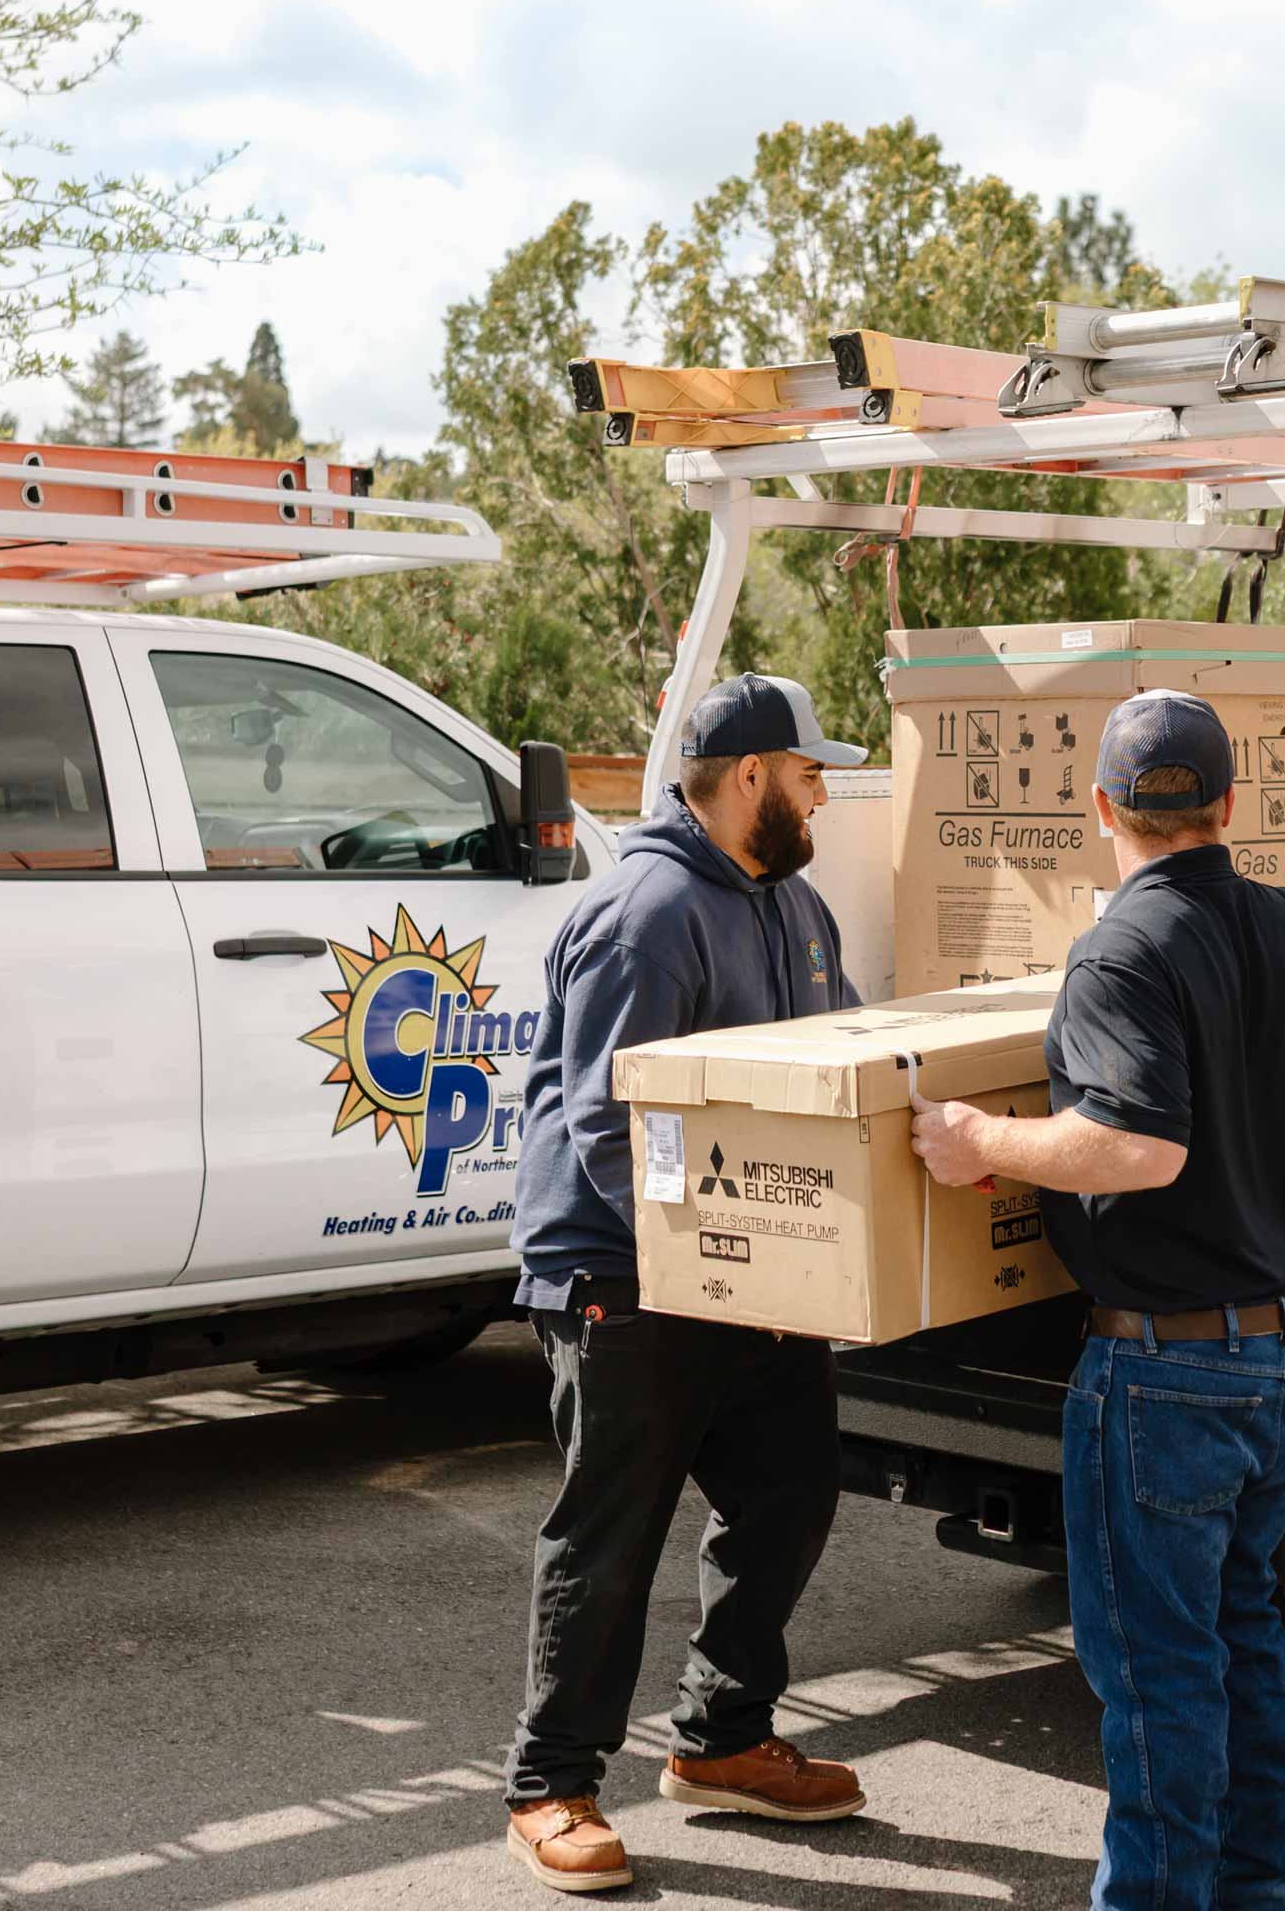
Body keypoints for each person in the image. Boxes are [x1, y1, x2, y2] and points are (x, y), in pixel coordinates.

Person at [911, 689, 1285, 1910]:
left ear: (1101, 807)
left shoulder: (1121, 951)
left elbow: (1140, 1149)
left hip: (1167, 1374)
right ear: (1230, 807)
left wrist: (982, 1135)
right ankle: (1257, 1891)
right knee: (1243, 1636)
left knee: (1158, 1673)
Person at [501, 672, 876, 1893]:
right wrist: (716, 1268)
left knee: (792, 1490)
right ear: (753, 775)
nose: (825, 789)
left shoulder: (793, 905)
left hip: (747, 1273)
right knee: (608, 1536)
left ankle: (719, 1740)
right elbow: (609, 1125)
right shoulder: (649, 913)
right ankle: (548, 1783)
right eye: (812, 770)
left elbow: (844, 1059)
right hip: (625, 1270)